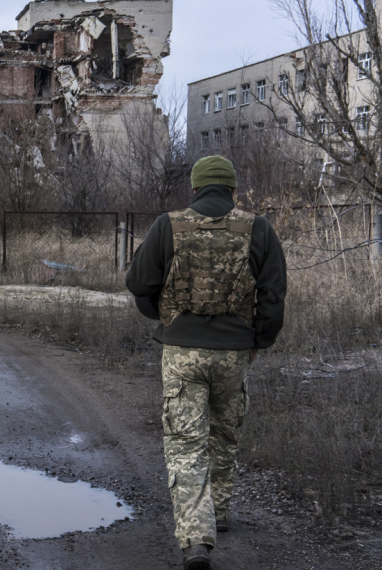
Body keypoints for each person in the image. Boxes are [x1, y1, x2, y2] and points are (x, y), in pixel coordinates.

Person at [126, 155, 286, 570]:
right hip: (234, 351)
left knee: (186, 442)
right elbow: (273, 294)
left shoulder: (168, 224)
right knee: (224, 432)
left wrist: (159, 313)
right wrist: (259, 340)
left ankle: (197, 538)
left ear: (194, 189)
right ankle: (221, 512)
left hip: (182, 351)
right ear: (233, 190)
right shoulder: (259, 228)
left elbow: (139, 282)